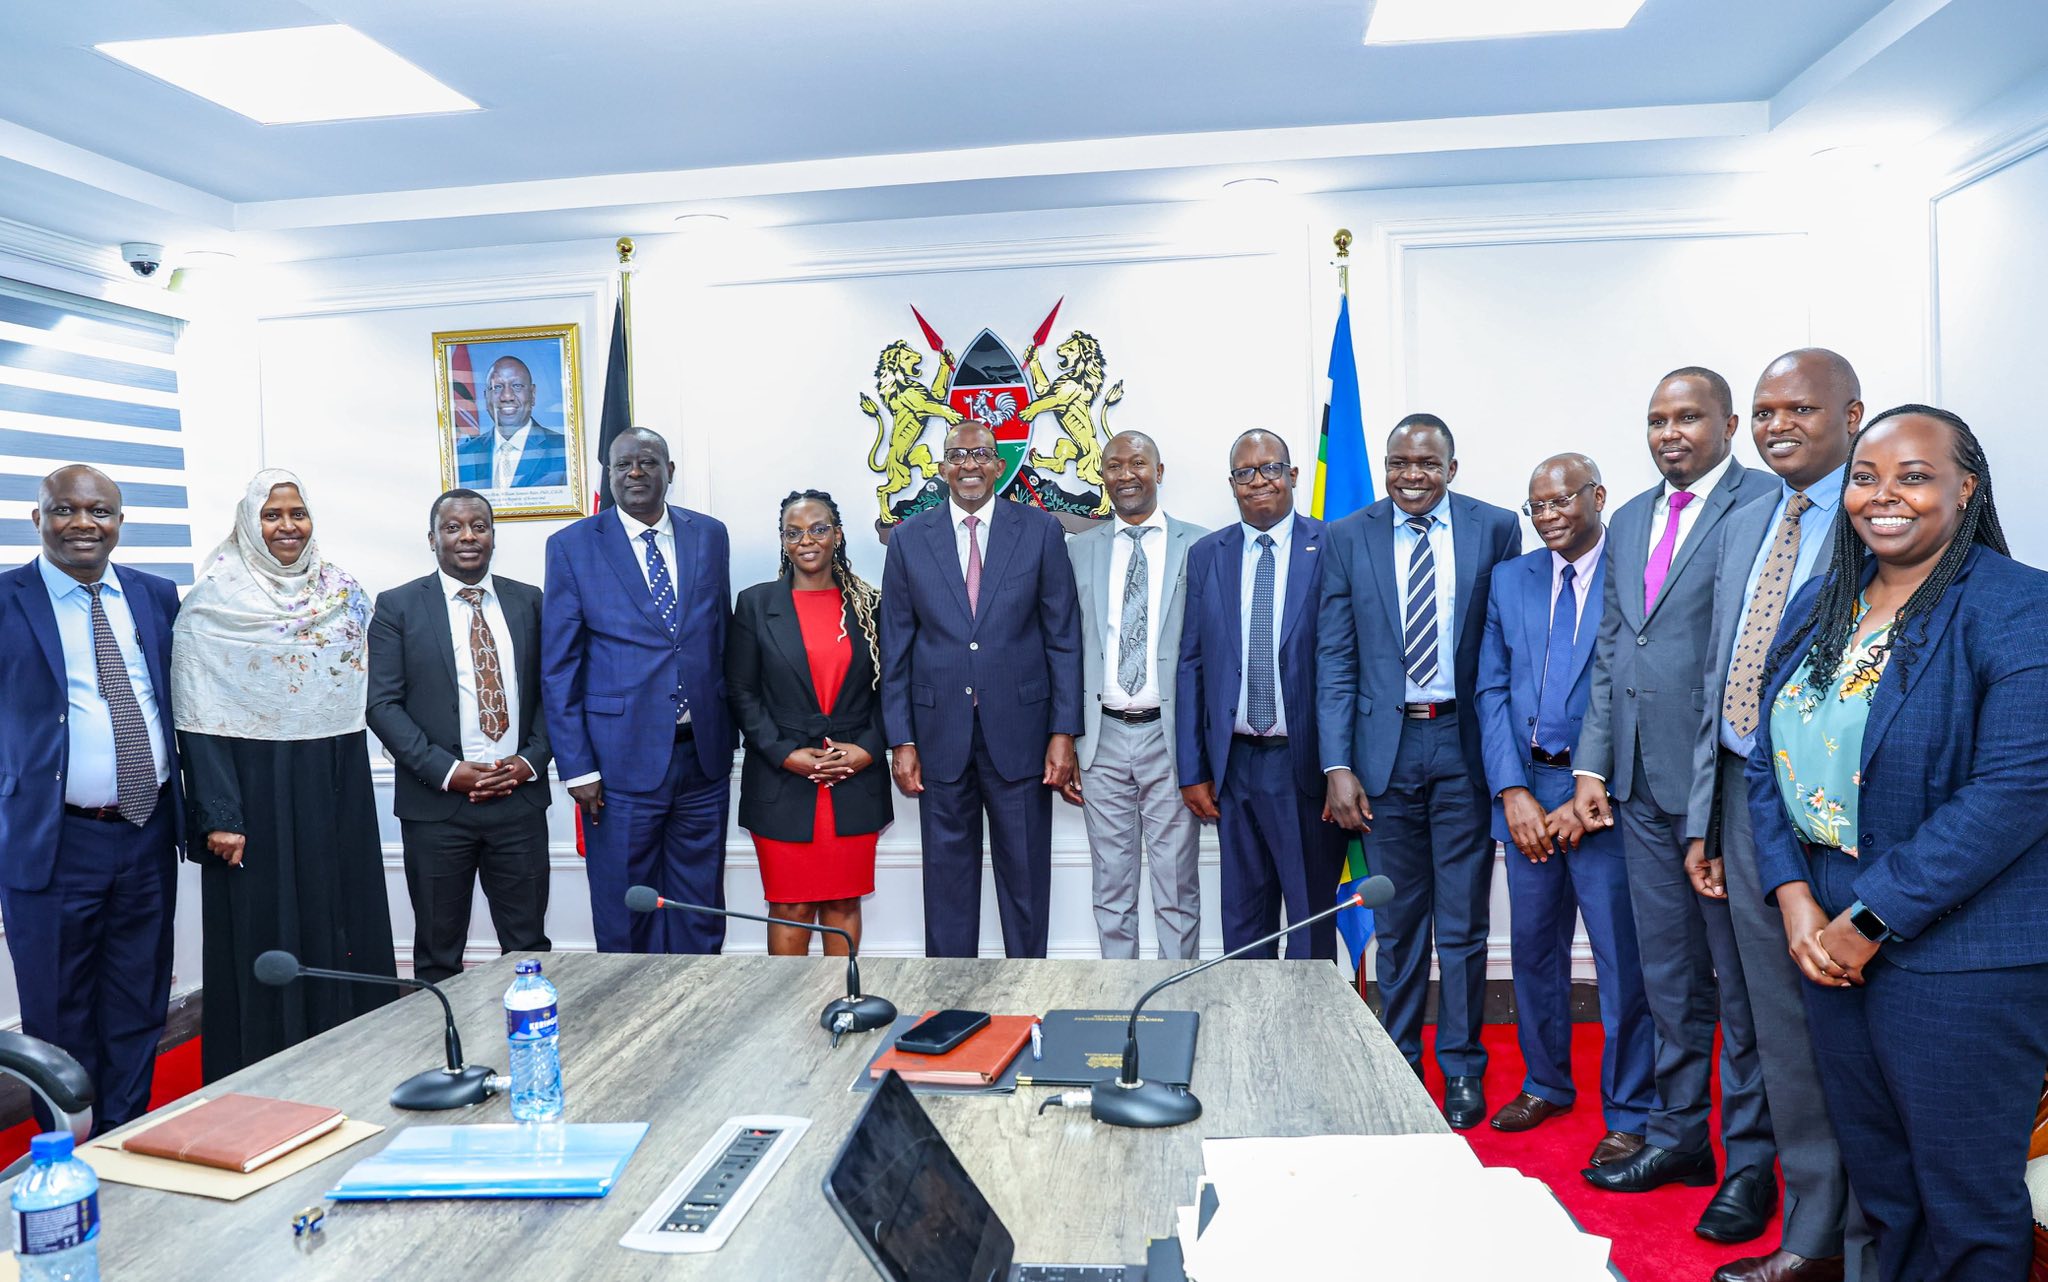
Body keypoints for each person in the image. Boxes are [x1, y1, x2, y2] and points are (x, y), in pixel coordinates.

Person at [1747, 406, 2048, 1282]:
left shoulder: (2019, 606)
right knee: (1887, 1187)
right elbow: (1768, 751)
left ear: (1966, 486)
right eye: (1867, 477)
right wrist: (1795, 895)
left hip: (1962, 960)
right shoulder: (1823, 601)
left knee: (1966, 1201)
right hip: (1826, 938)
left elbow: (2016, 791)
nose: (1885, 496)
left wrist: (1867, 918)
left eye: (1913, 476)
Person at [1571, 368, 1779, 1243]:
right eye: (1657, 420)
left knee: (1744, 991)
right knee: (1668, 981)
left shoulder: (1765, 504)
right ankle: (1681, 1139)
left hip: (1722, 789)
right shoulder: (1625, 521)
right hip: (1641, 789)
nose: (1670, 433)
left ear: (1728, 423)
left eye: (1688, 417)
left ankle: (1757, 1165)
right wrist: (1590, 767)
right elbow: (1616, 649)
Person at [1690, 350, 1870, 1282]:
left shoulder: (1877, 513)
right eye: (1763, 411)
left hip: (1835, 811)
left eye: (1799, 408)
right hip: (1738, 792)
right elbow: (1719, 676)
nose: (1776, 425)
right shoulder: (1752, 515)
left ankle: (1832, 1232)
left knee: (1834, 1023)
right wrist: (1704, 820)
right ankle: (1812, 1226)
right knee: (1767, 1020)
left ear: (1852, 413)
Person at [1317, 414, 1522, 1130]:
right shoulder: (1346, 536)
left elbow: (1504, 649)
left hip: (1463, 750)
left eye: (1427, 464)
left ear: (1452, 468)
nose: (1412, 475)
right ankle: (1399, 1060)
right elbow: (1335, 658)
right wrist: (1338, 765)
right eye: (1399, 462)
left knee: (1464, 925)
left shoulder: (1496, 530)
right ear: (1384, 464)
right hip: (1385, 753)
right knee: (1399, 922)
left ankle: (1463, 1067)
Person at [172, 469, 396, 1081]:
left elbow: (364, 694)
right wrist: (220, 814)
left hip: (332, 779)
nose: (287, 526)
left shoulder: (342, 594)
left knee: (339, 912)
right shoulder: (213, 602)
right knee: (264, 923)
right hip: (251, 789)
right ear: (249, 522)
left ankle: (352, 1058)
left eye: (297, 513)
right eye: (272, 516)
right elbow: (198, 717)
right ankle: (262, 1067)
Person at [1475, 453, 1657, 1171]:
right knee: (1534, 952)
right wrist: (1512, 791)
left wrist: (1597, 784)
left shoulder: (1638, 573)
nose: (1548, 515)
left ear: (1598, 497)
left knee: (1622, 961)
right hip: (1528, 792)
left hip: (1606, 799)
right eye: (1535, 505)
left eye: (1561, 500)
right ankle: (1546, 1081)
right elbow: (1491, 689)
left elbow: (1641, 688)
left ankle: (1631, 1111)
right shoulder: (1509, 580)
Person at [0, 466, 181, 1131]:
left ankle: (124, 1138)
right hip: (52, 840)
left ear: (120, 522)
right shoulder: (6, 598)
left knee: (138, 1001)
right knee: (58, 1008)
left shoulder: (157, 596)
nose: (83, 523)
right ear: (38, 518)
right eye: (65, 510)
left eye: (99, 511)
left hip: (147, 829)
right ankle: (66, 1151)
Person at [881, 420, 1082, 959]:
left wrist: (1063, 732)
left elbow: (1063, 638)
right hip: (937, 737)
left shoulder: (1039, 531)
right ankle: (949, 1011)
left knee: (1026, 885)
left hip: (1022, 737)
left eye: (980, 455)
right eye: (956, 455)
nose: (968, 465)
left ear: (1000, 464)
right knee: (946, 889)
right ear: (942, 467)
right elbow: (895, 647)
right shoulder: (907, 539)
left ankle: (1028, 1001)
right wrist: (901, 739)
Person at [542, 427, 735, 954]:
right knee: (626, 907)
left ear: (669, 471)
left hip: (703, 758)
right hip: (618, 765)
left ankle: (698, 1016)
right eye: (623, 464)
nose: (635, 473)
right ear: (608, 474)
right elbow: (559, 668)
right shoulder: (572, 547)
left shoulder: (710, 535)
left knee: (701, 906)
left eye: (648, 462)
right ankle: (628, 1024)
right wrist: (577, 767)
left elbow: (719, 637)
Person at [365, 489, 553, 985]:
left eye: (479, 526)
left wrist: (531, 760)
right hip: (437, 810)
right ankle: (441, 1054)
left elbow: (555, 693)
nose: (468, 536)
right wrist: (449, 773)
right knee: (437, 951)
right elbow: (382, 706)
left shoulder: (530, 601)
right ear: (432, 539)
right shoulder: (398, 607)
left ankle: (536, 1046)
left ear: (493, 535)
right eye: (453, 527)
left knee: (530, 945)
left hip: (520, 801)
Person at [1175, 430, 1341, 961]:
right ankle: (1248, 1038)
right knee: (1244, 922)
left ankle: (1310, 1039)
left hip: (1306, 766)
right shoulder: (1207, 555)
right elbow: (1192, 664)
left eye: (1270, 468)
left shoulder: (1332, 545)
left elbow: (1349, 663)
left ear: (1293, 475)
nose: (1258, 481)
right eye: (1245, 474)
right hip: (1235, 765)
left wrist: (1342, 767)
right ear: (1232, 485)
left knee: (1311, 918)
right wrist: (1193, 770)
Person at [727, 490, 890, 954]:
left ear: (837, 535)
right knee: (791, 906)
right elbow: (741, 691)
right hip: (783, 782)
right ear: (782, 542)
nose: (807, 541)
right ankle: (789, 1022)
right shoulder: (756, 604)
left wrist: (868, 749)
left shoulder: (869, 606)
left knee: (842, 902)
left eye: (818, 529)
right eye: (793, 532)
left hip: (853, 779)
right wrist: (785, 754)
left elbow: (893, 689)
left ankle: (846, 1011)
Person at [1067, 431, 1208, 959]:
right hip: (1102, 740)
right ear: (1102, 475)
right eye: (1114, 465)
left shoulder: (1201, 545)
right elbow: (1065, 648)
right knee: (1112, 890)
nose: (1126, 474)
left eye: (1138, 463)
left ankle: (1175, 1003)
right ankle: (1119, 1005)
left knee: (1176, 888)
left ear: (1159, 471)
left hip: (1169, 740)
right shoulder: (1077, 550)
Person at [455, 355, 569, 490]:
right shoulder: (462, 456)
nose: (506, 396)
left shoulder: (564, 451)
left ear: (532, 394)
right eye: (497, 387)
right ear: (486, 398)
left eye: (517, 386)